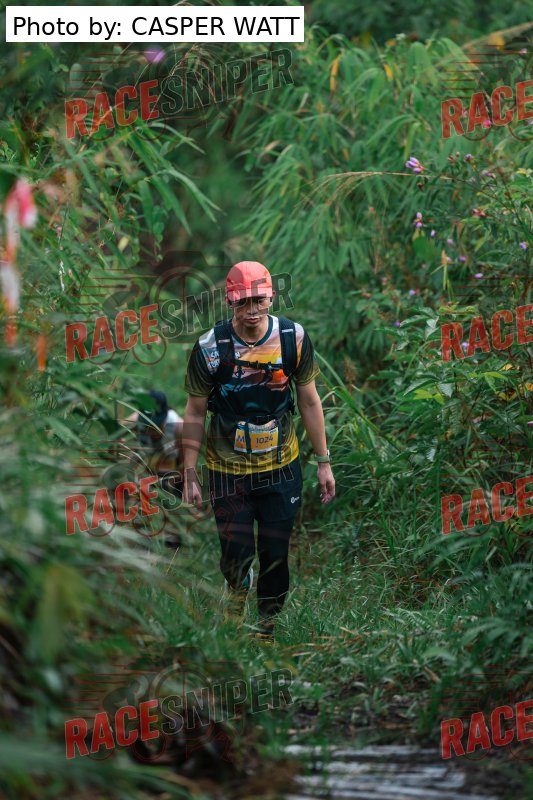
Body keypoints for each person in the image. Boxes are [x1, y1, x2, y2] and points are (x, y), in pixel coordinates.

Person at [181, 261, 335, 641]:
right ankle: (237, 588)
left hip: (281, 466)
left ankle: (265, 627)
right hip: (226, 469)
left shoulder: (292, 338)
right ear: (230, 301)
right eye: (243, 302)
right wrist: (189, 472)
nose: (252, 310)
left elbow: (309, 401)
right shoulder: (210, 347)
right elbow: (195, 411)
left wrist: (323, 462)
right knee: (234, 554)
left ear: (272, 297)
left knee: (276, 554)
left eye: (259, 300)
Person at [126, 390, 184, 546]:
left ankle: (173, 536)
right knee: (139, 500)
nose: (151, 428)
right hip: (146, 466)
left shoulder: (178, 426)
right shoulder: (133, 421)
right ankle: (142, 535)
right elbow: (121, 441)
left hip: (170, 467)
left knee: (171, 500)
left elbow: (184, 458)